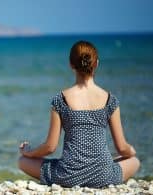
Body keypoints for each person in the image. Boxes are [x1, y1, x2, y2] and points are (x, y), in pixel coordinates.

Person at [17, 40, 140, 188]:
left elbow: (50, 147)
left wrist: (29, 152)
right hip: (104, 176)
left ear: (71, 65)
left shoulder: (60, 100)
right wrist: (131, 150)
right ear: (97, 64)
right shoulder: (110, 100)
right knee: (134, 161)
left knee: (21, 161)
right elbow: (122, 148)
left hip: (68, 176)